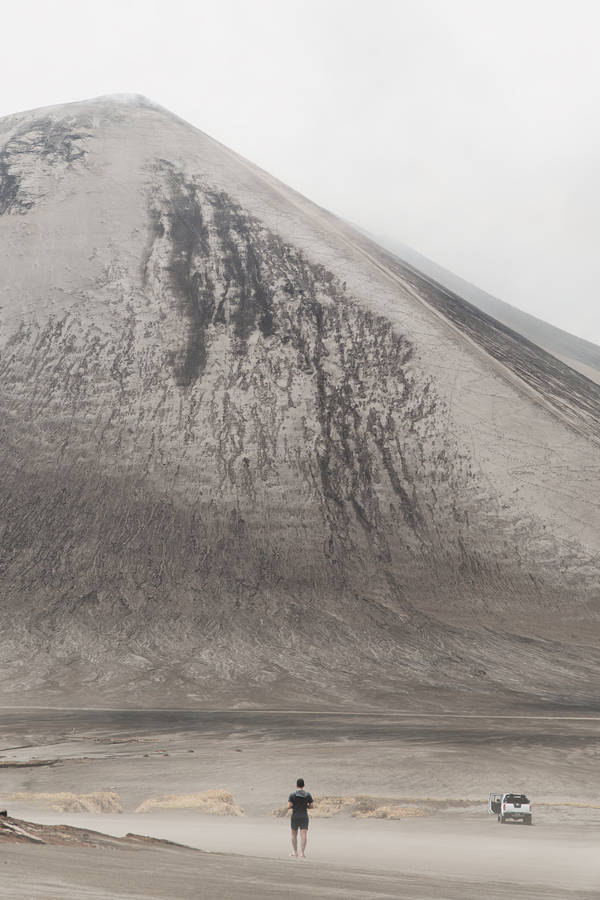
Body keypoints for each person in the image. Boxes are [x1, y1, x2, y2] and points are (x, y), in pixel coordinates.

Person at [288, 777, 313, 858]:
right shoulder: (307, 794)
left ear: (296, 785)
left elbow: (289, 806)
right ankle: (302, 853)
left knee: (294, 834)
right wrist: (305, 806)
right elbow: (311, 806)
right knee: (303, 834)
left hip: (295, 816)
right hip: (304, 816)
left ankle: (295, 852)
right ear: (304, 785)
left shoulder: (292, 794)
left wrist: (294, 806)